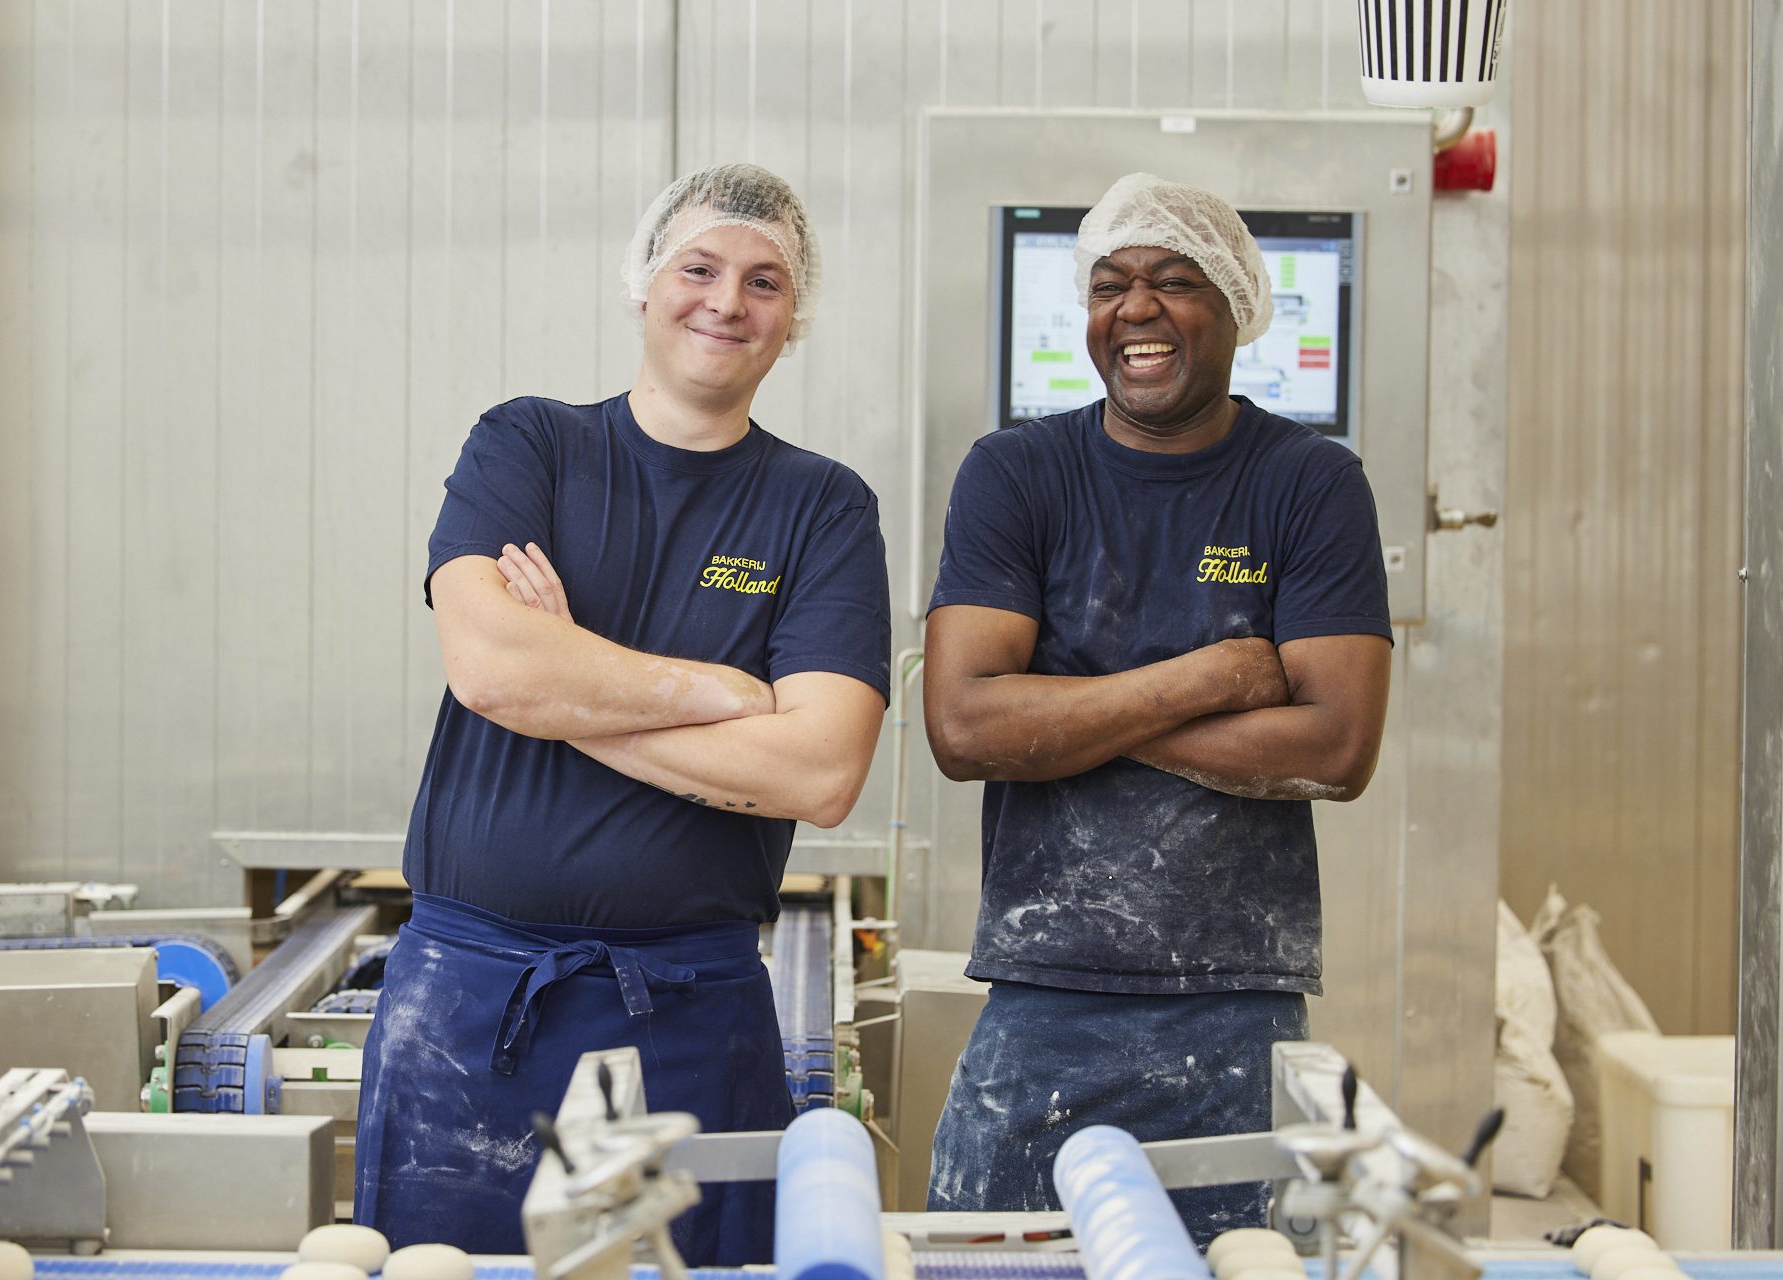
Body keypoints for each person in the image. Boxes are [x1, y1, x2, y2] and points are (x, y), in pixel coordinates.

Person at [353, 164, 891, 1265]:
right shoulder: (529, 446)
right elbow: (492, 666)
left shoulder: (822, 507)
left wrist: (568, 695)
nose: (726, 301)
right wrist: (724, 692)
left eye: (764, 282)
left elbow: (820, 770)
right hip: (467, 1010)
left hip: (690, 1017)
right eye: (698, 268)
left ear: (796, 320)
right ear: (645, 283)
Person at [920, 173, 1393, 1241]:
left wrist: (1068, 712)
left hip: (1236, 1001)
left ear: (1234, 309)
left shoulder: (1308, 483)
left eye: (1174, 281)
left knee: (1237, 1266)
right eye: (1109, 284)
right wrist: (1215, 676)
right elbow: (963, 728)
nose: (1134, 309)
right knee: (982, 1268)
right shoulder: (1016, 474)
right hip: (1042, 994)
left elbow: (1334, 742)